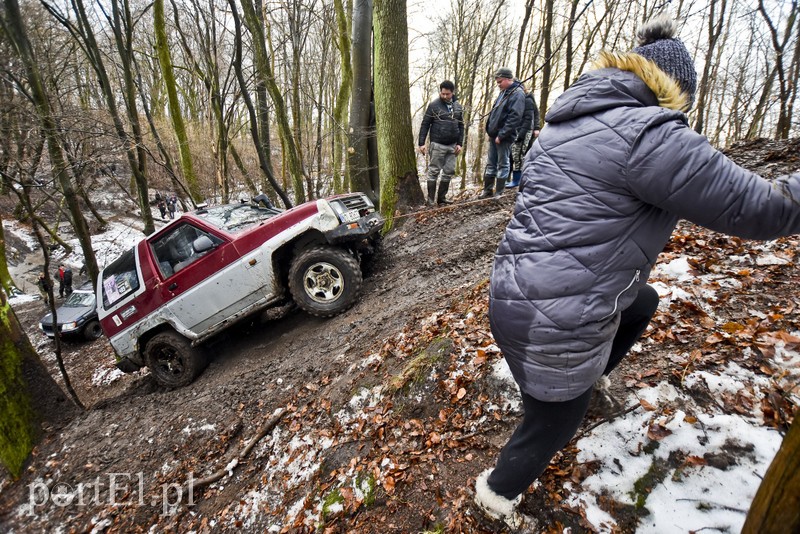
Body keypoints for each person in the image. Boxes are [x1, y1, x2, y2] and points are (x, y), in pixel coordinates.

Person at [474, 15, 800, 528]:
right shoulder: (652, 136)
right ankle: (496, 493)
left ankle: (585, 379)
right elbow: (764, 208)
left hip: (510, 295)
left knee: (642, 301)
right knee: (551, 424)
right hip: (555, 323)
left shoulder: (562, 124)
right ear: (674, 90)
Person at [480, 67, 526, 198]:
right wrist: (491, 132)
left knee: (503, 164)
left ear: (508, 79)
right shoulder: (503, 92)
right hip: (494, 135)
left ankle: (499, 192)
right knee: (491, 163)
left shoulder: (517, 94)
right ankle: (487, 190)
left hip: (504, 136)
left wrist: (502, 134)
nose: (498, 84)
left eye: (500, 81)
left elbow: (514, 117)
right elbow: (495, 113)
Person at [418, 80, 464, 206]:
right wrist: (421, 143)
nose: (444, 96)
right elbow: (425, 123)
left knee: (448, 172)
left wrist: (460, 143)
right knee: (433, 172)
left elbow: (461, 126)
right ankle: (431, 200)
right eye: (442, 93)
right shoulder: (434, 105)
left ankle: (441, 198)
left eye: (447, 94)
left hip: (453, 145)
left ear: (452, 93)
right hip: (437, 144)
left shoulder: (458, 106)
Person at [507, 85, 539, 188]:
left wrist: (521, 134)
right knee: (515, 155)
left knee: (519, 155)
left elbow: (529, 118)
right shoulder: (517, 100)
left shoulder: (528, 100)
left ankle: (518, 180)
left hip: (525, 130)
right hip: (517, 130)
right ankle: (516, 179)